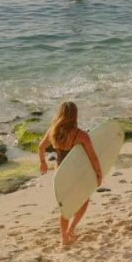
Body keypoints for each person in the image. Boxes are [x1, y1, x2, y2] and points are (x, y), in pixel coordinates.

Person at [38, 101, 103, 246]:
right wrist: (98, 174)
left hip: (60, 174)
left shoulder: (53, 131)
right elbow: (93, 157)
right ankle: (71, 229)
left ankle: (64, 237)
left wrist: (43, 163)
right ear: (75, 115)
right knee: (84, 200)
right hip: (74, 174)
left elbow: (40, 147)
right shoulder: (80, 135)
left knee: (65, 206)